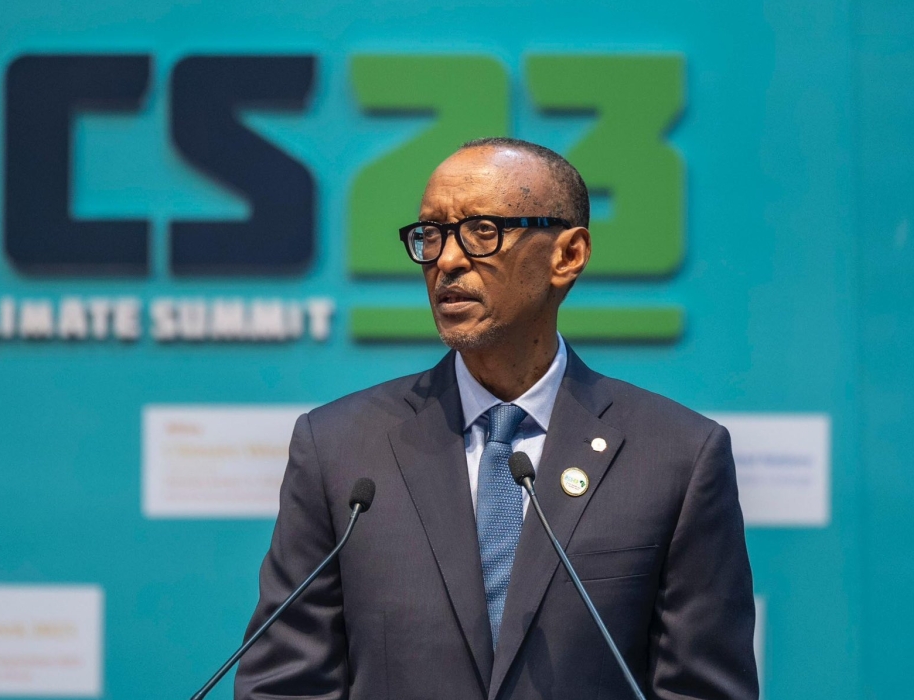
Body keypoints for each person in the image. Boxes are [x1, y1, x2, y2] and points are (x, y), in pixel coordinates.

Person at [235, 137, 758, 700]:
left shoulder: (677, 456)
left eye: (482, 231)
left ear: (569, 255)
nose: (447, 260)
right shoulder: (340, 449)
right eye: (430, 235)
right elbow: (286, 685)